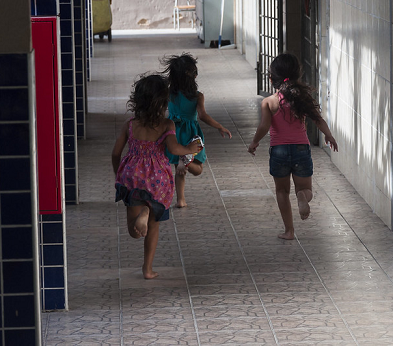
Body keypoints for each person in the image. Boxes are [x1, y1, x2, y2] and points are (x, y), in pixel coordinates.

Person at [112, 74, 202, 279]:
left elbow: (116, 153)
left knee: (133, 232)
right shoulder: (166, 125)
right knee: (153, 226)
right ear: (163, 102)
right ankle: (148, 269)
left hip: (132, 178)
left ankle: (142, 211)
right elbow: (174, 148)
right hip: (158, 180)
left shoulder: (130, 125)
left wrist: (119, 176)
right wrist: (188, 148)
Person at [247, 53, 338, 240]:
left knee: (282, 191)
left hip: (279, 151)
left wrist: (254, 142)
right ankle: (302, 197)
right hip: (301, 149)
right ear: (297, 76)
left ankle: (289, 231)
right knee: (306, 189)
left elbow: (264, 126)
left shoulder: (269, 102)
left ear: (271, 79)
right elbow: (318, 119)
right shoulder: (302, 99)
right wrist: (329, 136)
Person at [161, 53, 232, 208]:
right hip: (191, 134)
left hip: (173, 132)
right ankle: (186, 160)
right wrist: (220, 126)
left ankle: (181, 200)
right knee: (198, 169)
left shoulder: (169, 93)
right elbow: (203, 116)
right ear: (193, 76)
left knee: (178, 169)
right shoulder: (197, 96)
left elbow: (161, 110)